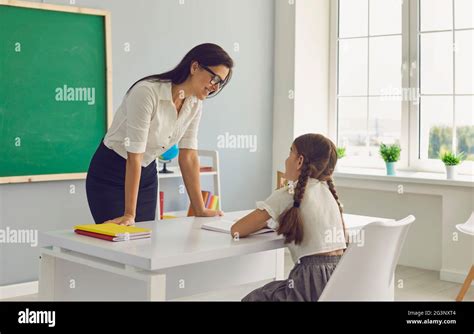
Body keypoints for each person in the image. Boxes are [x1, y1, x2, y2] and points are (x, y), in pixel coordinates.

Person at [86, 43, 233, 225]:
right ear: (195, 67)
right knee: (120, 241)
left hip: (146, 173)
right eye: (215, 79)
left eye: (221, 83)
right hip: (111, 172)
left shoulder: (195, 103)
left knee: (145, 240)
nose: (215, 88)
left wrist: (200, 209)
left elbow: (188, 156)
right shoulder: (146, 92)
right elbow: (134, 156)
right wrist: (129, 214)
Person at [231, 133, 347, 301]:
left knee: (253, 299)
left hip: (308, 284)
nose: (286, 160)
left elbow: (237, 230)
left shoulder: (288, 193)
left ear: (299, 161)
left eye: (289, 153)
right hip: (338, 281)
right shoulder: (328, 191)